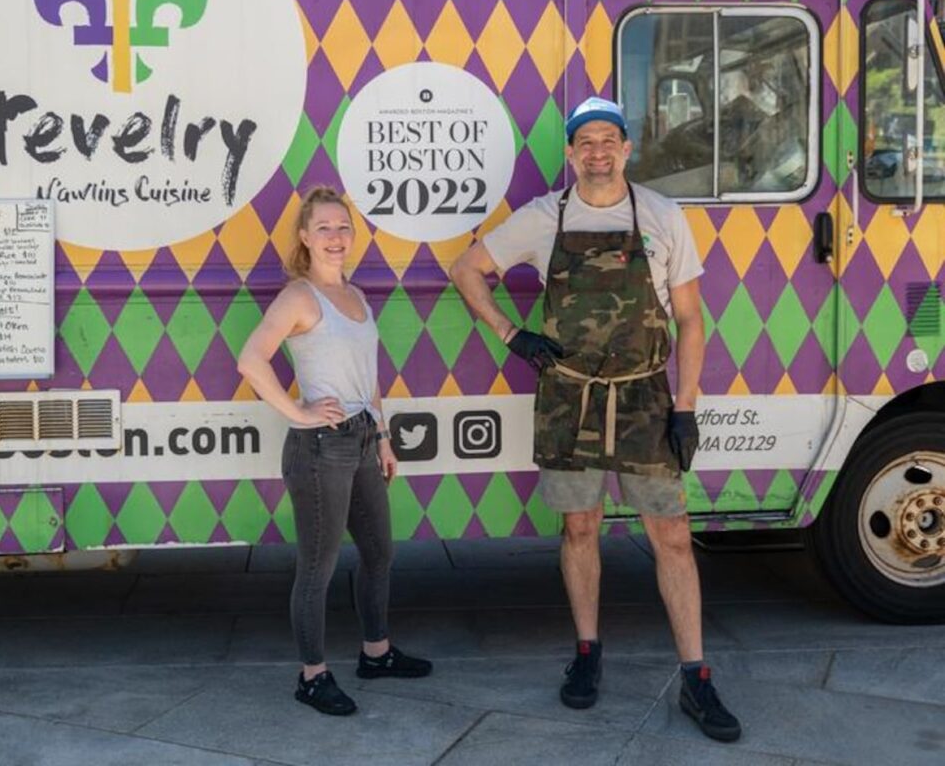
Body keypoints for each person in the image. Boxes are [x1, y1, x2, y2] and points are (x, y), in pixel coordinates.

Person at [449, 97, 742, 743]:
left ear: (627, 148)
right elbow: (466, 268)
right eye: (587, 142)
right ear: (572, 154)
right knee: (579, 528)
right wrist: (509, 333)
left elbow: (690, 319)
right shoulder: (543, 217)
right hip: (569, 398)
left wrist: (686, 408)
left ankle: (697, 674)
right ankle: (587, 653)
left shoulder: (663, 216)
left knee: (670, 535)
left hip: (645, 398)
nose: (599, 151)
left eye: (609, 139)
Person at [237, 185, 432, 716]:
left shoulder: (356, 295)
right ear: (304, 237)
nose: (336, 237)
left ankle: (376, 653)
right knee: (317, 568)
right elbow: (251, 359)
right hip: (320, 448)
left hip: (363, 439)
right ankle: (312, 676)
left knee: (379, 553)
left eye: (343, 227)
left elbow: (368, 377)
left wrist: (385, 436)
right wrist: (298, 412)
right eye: (323, 228)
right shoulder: (299, 296)